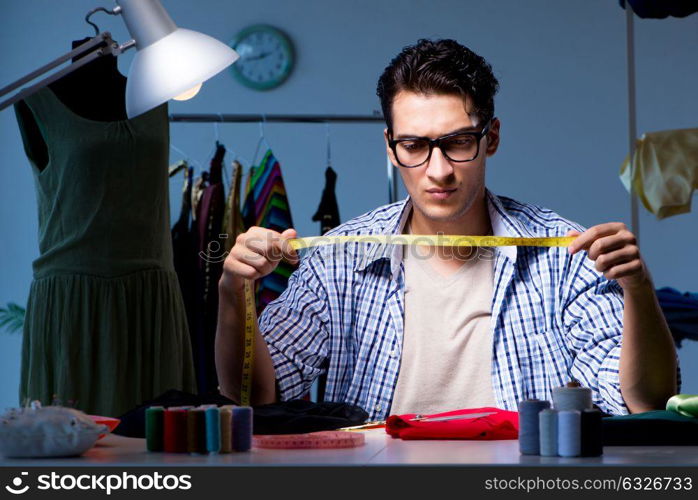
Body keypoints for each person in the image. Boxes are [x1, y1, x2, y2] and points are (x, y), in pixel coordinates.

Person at [215, 39, 678, 420]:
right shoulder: (340, 256)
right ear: (391, 149)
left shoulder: (566, 252)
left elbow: (643, 400)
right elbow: (253, 396)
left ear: (490, 138)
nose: (438, 170)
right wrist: (233, 291)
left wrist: (638, 287)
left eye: (458, 142)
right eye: (414, 145)